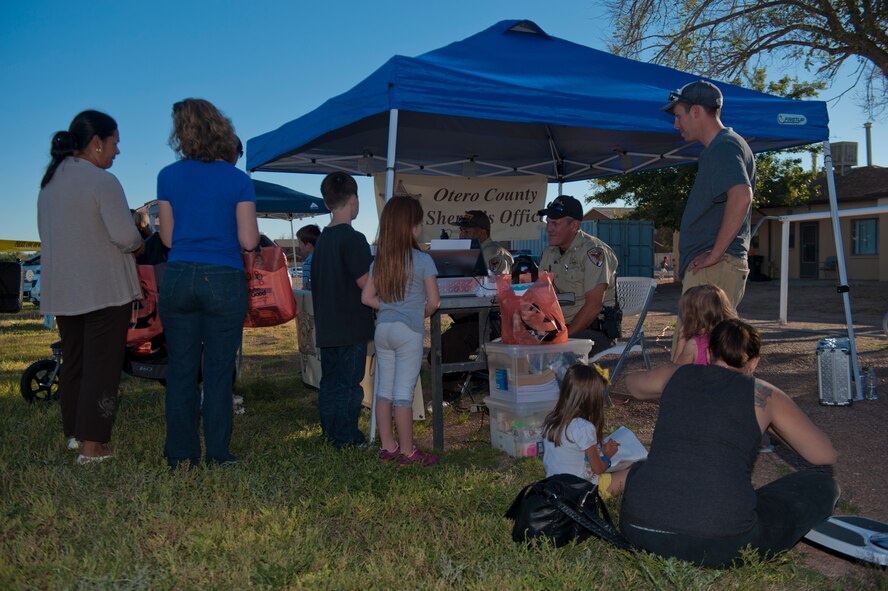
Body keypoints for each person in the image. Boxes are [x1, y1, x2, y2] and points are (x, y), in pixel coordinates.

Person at [620, 319, 839, 567]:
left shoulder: (676, 374)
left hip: (637, 528)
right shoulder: (763, 394)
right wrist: (771, 424)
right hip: (719, 542)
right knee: (820, 484)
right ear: (754, 362)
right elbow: (824, 455)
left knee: (646, 469)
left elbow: (633, 385)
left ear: (710, 353)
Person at [156, 98, 259, 468]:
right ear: (222, 131)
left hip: (179, 274)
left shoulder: (167, 176)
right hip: (223, 277)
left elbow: (166, 239)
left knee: (182, 369)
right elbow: (249, 241)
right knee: (217, 371)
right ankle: (219, 453)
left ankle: (181, 455)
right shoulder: (237, 180)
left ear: (181, 134)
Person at [37, 110, 144, 464]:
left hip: (65, 290)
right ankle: (93, 446)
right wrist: (141, 240)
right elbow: (125, 237)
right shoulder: (102, 181)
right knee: (102, 365)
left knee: (75, 363)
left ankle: (74, 434)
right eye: (115, 143)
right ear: (96, 143)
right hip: (103, 289)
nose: (118, 152)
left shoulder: (49, 184)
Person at [361, 196, 440, 466]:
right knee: (403, 394)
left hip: (383, 329)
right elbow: (435, 302)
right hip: (409, 332)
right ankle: (408, 451)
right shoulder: (423, 260)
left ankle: (388, 446)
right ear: (414, 227)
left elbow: (366, 297)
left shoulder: (379, 260)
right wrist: (420, 313)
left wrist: (388, 307)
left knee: (383, 391)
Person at [662, 81, 755, 311]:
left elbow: (742, 197)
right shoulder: (722, 147)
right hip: (714, 270)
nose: (676, 124)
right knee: (705, 346)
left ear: (696, 111)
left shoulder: (724, 146)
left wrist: (714, 254)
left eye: (678, 116)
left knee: (695, 347)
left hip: (714, 271)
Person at [312, 172, 375, 448]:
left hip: (328, 326)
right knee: (350, 385)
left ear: (327, 204)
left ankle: (331, 433)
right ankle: (347, 437)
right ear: (354, 201)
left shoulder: (322, 241)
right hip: (351, 327)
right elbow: (366, 285)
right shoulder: (354, 239)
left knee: (330, 383)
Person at [537, 195, 619, 356]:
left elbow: (594, 306)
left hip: (591, 332)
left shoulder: (594, 251)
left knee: (546, 355)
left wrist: (564, 337)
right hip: (560, 328)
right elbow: (540, 296)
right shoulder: (550, 252)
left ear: (574, 225)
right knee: (514, 344)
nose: (549, 229)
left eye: (555, 223)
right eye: (548, 223)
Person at [541, 363, 631, 500]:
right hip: (581, 493)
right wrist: (607, 456)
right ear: (592, 399)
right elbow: (598, 469)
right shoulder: (583, 427)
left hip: (555, 488)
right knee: (633, 472)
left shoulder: (551, 420)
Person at [441, 209, 513, 373]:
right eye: (461, 231)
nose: (461, 235)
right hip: (469, 316)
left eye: (466, 231)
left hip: (489, 319)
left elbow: (493, 292)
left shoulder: (495, 254)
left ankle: (451, 389)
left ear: (482, 233)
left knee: (448, 347)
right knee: (441, 349)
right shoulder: (466, 253)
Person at [451, 210, 513, 275]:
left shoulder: (493, 253)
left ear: (482, 233)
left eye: (467, 232)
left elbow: (496, 282)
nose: (462, 236)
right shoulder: (472, 252)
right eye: (461, 230)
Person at [296, 224, 320, 290]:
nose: (299, 246)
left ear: (308, 245)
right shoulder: (323, 259)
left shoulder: (308, 262)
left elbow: (306, 286)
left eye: (300, 243)